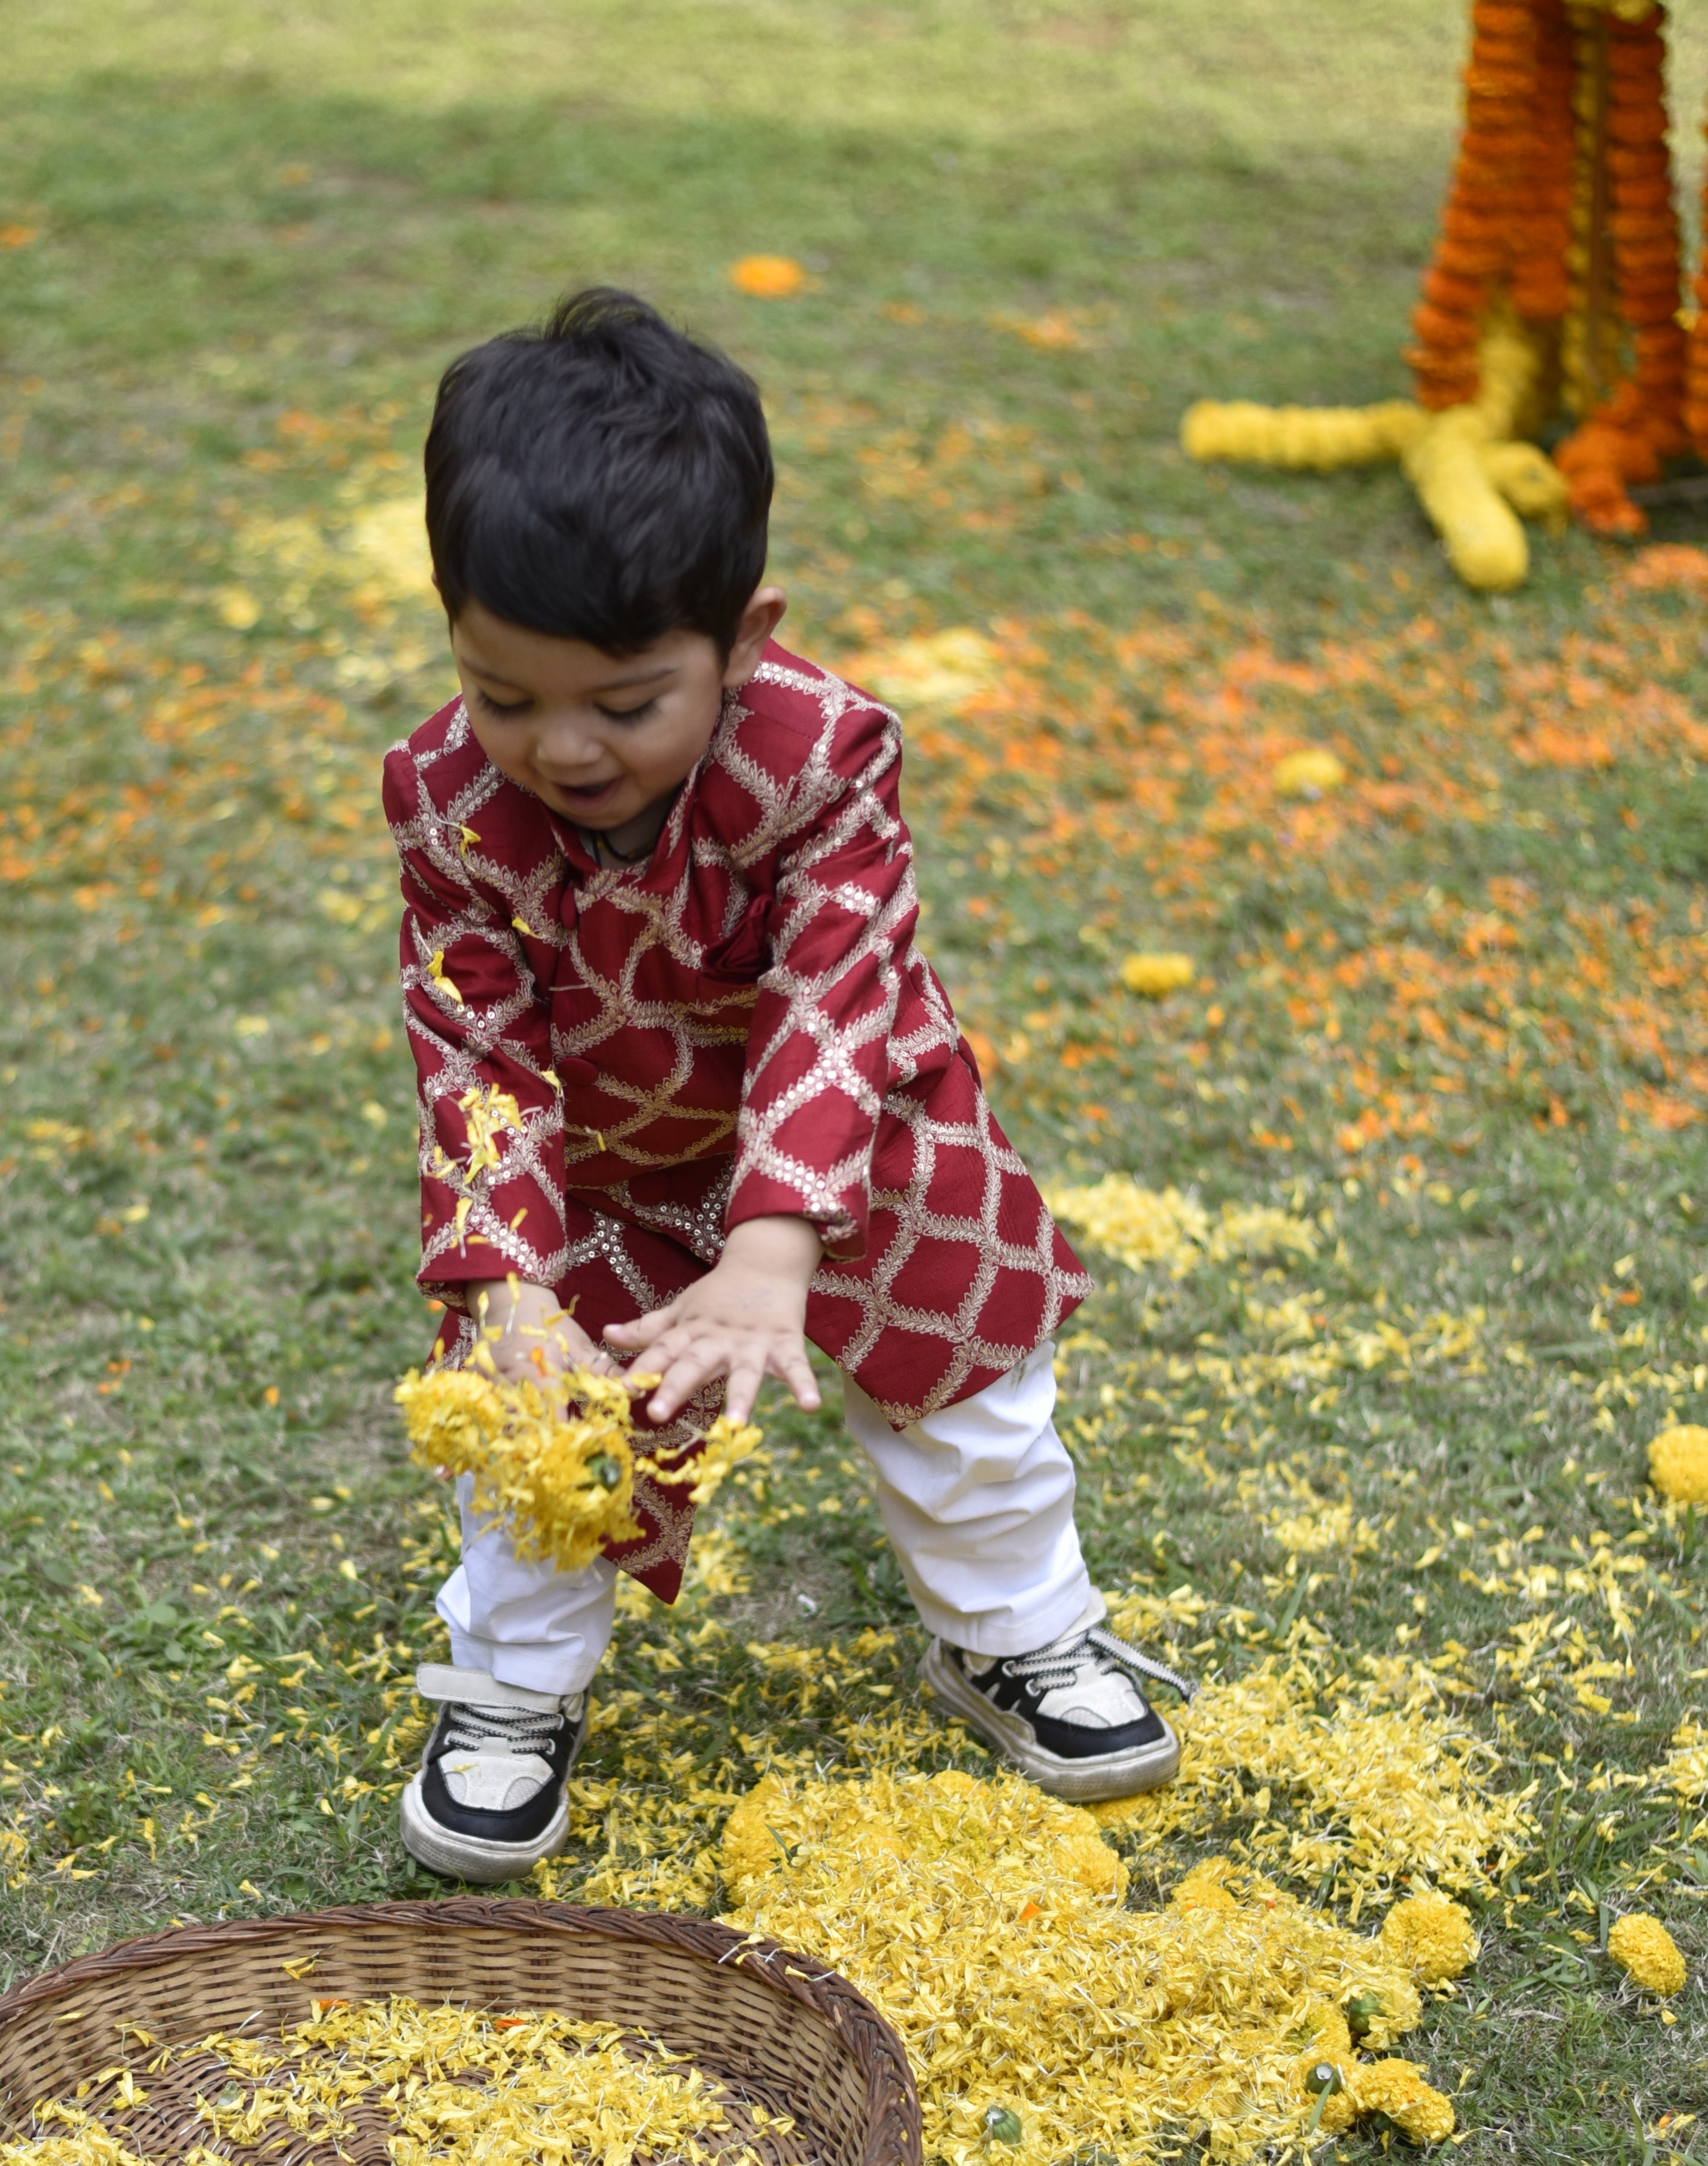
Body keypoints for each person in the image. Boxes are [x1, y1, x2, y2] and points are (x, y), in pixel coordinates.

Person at [383, 288, 1186, 1883]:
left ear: (744, 640)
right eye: (503, 693)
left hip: (854, 1139)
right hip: (600, 1166)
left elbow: (840, 990)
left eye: (625, 704)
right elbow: (474, 1036)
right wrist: (507, 1276)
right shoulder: (447, 802)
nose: (565, 749)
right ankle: (513, 1684)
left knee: (968, 1403)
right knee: (547, 1418)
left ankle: (1016, 1631)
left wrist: (774, 1242)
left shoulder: (821, 759)